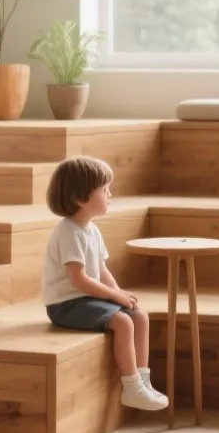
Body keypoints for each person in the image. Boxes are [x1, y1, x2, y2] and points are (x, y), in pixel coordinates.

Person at [40, 156, 170, 412]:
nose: (110, 194)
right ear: (81, 198)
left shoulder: (91, 229)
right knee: (122, 321)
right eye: (104, 189)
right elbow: (79, 280)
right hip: (66, 304)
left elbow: (101, 270)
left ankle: (143, 381)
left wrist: (119, 293)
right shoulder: (69, 232)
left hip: (86, 297)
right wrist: (113, 296)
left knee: (139, 316)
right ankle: (131, 387)